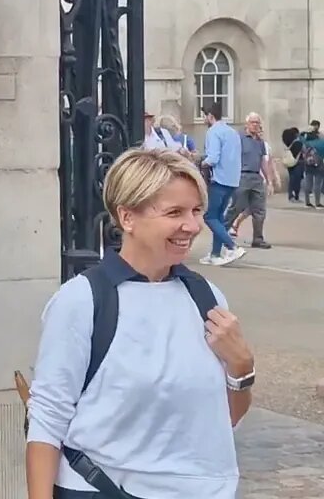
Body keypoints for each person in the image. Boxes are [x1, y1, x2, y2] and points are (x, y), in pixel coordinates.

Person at [25, 148, 255, 499]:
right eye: (174, 212)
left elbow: (222, 421)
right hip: (104, 490)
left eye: (196, 211)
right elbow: (47, 419)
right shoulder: (84, 300)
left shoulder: (206, 298)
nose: (192, 226)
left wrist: (241, 368)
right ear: (127, 217)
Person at [199, 102, 246, 266]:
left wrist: (200, 162)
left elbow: (213, 158)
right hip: (232, 179)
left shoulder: (213, 132)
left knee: (209, 216)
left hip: (218, 179)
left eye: (205, 115)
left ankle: (232, 246)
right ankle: (215, 254)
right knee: (218, 217)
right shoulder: (232, 132)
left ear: (210, 116)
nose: (205, 119)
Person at [221, 113, 276, 249]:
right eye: (253, 122)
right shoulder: (238, 138)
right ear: (247, 124)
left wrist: (269, 181)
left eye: (257, 122)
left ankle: (258, 238)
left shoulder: (260, 142)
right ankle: (221, 233)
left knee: (259, 210)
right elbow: (230, 157)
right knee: (237, 207)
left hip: (256, 177)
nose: (255, 125)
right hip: (242, 176)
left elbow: (264, 161)